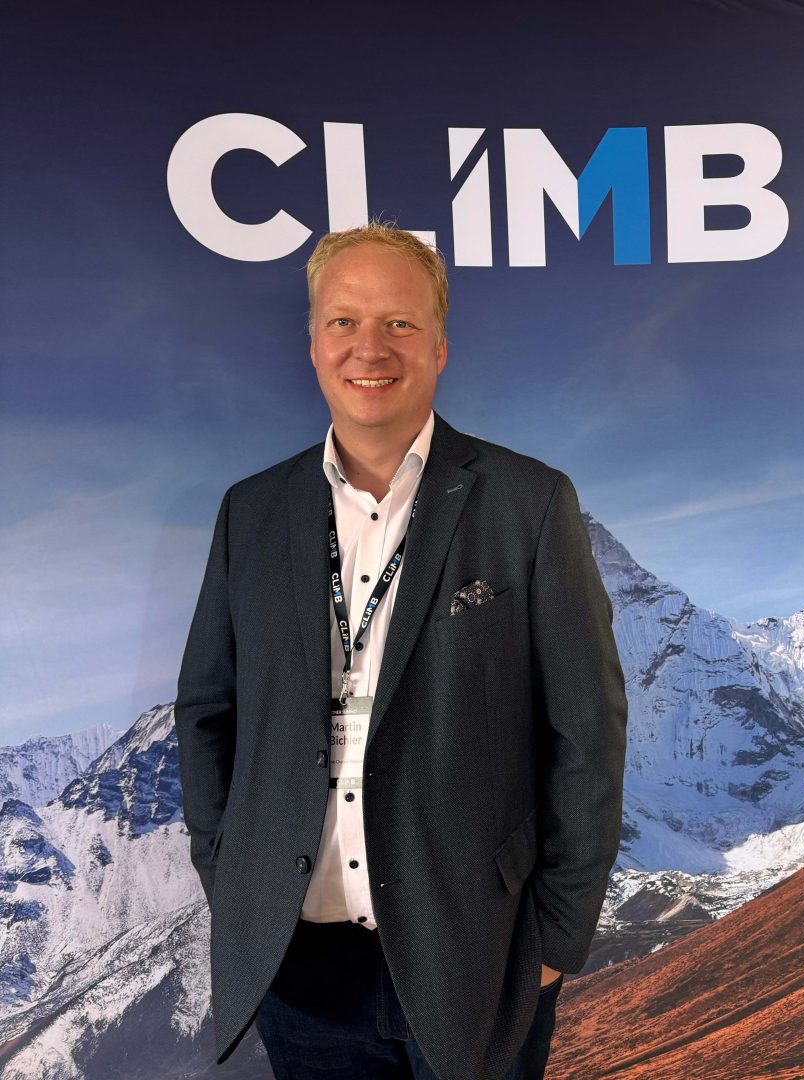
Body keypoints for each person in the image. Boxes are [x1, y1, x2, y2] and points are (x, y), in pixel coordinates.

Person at [174, 222, 628, 1080]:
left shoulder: (529, 503)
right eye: (344, 322)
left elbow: (587, 733)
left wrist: (557, 940)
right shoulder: (250, 513)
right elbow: (206, 713)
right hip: (299, 975)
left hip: (478, 959)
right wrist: (233, 876)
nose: (369, 348)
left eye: (400, 323)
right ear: (313, 344)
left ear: (440, 346)